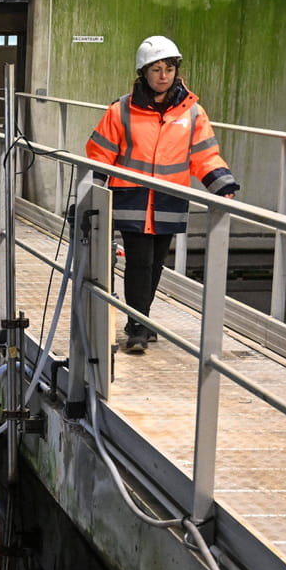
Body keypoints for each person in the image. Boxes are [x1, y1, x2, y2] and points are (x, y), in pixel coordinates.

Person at [86, 35, 239, 354]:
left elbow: (204, 155)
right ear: (143, 72)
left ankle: (140, 321)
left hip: (169, 201)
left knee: (155, 264)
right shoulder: (122, 111)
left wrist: (222, 186)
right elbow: (100, 153)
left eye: (169, 68)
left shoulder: (192, 113)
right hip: (132, 200)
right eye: (156, 69)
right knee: (139, 263)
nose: (163, 75)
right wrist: (90, 195)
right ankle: (139, 328)